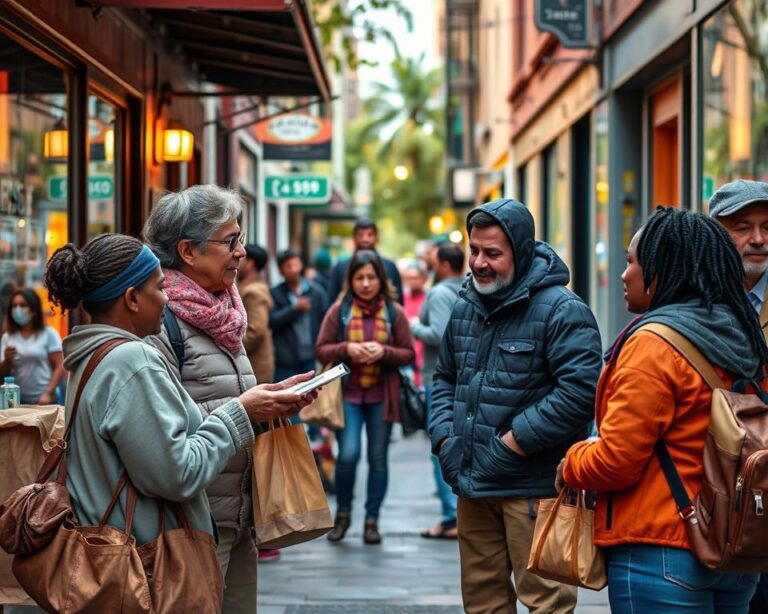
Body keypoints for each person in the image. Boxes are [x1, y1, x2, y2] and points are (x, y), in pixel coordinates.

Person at [40, 234, 313, 609]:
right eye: (158, 288)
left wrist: (258, 402)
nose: (167, 298)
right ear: (132, 299)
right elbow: (177, 472)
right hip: (147, 562)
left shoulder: (91, 355)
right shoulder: (132, 362)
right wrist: (240, 412)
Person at [560, 207, 764, 613]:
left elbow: (617, 460)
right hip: (736, 547)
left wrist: (571, 460)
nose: (624, 274)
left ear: (664, 269)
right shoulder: (744, 336)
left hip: (661, 546)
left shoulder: (654, 344)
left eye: (633, 261)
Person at [142, 185, 313, 610]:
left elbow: (228, 397)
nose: (241, 252)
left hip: (239, 513)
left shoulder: (225, 311)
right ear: (188, 251)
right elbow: (159, 423)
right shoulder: (158, 321)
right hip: (191, 521)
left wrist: (270, 401)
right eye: (230, 240)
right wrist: (245, 408)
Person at [429, 199, 602, 614]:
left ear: (520, 251)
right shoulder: (466, 306)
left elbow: (579, 393)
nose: (479, 263)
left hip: (533, 490)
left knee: (547, 604)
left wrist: (511, 444)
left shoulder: (563, 310)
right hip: (472, 484)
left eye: (493, 253)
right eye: (475, 251)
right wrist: (444, 439)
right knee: (483, 603)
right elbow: (443, 378)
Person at [315, 249, 415, 545]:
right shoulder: (339, 310)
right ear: (351, 280)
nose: (366, 283)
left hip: (382, 396)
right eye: (360, 278)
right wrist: (347, 349)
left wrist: (384, 352)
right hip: (349, 396)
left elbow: (408, 353)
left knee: (378, 459)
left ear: (381, 280)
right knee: (347, 456)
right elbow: (321, 349)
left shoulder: (393, 312)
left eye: (371, 277)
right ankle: (343, 515)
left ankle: (372, 520)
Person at [709, 179, 768, 613]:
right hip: (717, 497)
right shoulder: (695, 298)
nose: (759, 239)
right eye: (743, 227)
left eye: (767, 227)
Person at [412, 242, 465, 540]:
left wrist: (414, 326)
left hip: (440, 379)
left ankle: (450, 517)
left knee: (440, 446)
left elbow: (440, 335)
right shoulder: (472, 288)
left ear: (444, 265)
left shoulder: (440, 292)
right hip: (465, 379)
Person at [270, 248, 328, 383]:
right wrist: (294, 309)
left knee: (309, 399)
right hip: (285, 360)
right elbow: (272, 321)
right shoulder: (275, 293)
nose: (294, 269)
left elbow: (325, 319)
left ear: (301, 265)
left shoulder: (315, 291)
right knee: (284, 398)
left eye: (296, 264)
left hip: (311, 356)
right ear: (280, 270)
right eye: (288, 266)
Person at [0, 287, 65, 405]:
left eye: (22, 305)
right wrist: (7, 360)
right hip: (16, 402)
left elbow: (60, 365)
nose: (17, 309)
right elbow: (3, 374)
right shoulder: (8, 337)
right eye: (14, 306)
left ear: (34, 309)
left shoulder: (48, 333)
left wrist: (48, 392)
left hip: (44, 401)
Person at [328, 219, 403, 304]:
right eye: (360, 235)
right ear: (354, 238)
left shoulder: (389, 267)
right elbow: (332, 301)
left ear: (376, 238)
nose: (365, 239)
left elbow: (398, 301)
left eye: (370, 235)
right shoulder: (340, 268)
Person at [238, 244, 274, 384]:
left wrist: (233, 348)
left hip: (255, 369)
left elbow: (256, 330)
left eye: (241, 258)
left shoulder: (254, 291)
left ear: (250, 263)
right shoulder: (249, 287)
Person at [401, 260, 428, 387]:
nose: (412, 281)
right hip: (405, 357)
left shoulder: (429, 299)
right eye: (409, 278)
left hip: (424, 358)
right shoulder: (401, 299)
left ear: (423, 279)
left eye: (416, 278)